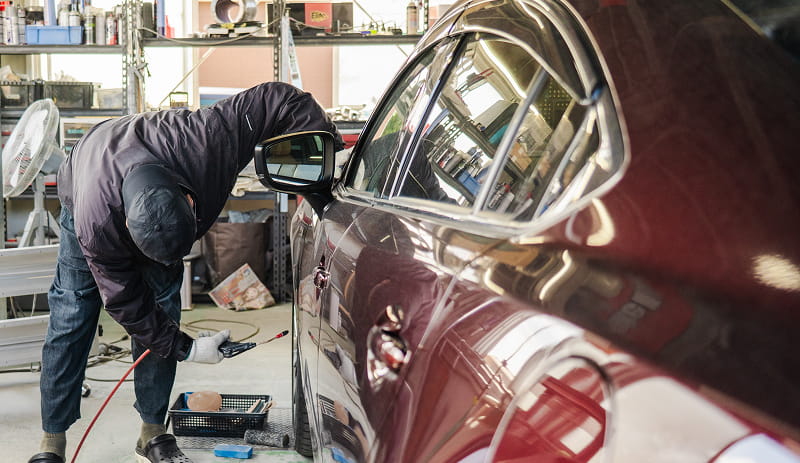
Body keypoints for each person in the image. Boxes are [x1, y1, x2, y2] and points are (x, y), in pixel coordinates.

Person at [28, 82, 343, 463]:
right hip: (84, 184)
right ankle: (52, 440)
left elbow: (282, 98)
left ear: (189, 198)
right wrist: (187, 348)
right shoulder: (96, 227)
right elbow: (126, 302)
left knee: (163, 309)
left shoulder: (209, 137)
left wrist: (333, 157)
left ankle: (152, 432)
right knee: (73, 314)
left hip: (144, 170)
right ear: (127, 228)